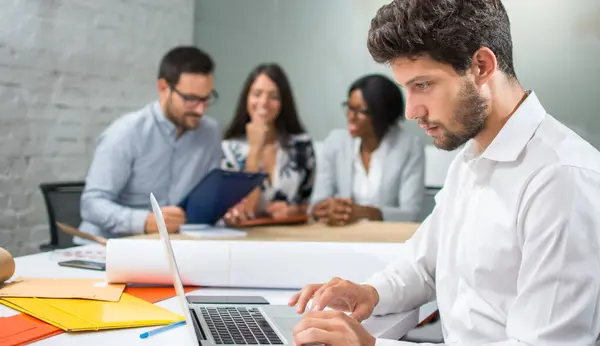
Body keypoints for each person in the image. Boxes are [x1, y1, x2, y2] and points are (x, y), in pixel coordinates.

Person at [290, 0, 600, 345]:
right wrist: (370, 292)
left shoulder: (561, 180)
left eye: (423, 85)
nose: (410, 111)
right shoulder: (470, 155)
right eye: (405, 88)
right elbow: (423, 265)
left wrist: (372, 345)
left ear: (482, 66)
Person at [76, 46, 222, 243]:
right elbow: (91, 204)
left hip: (172, 248)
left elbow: (207, 197)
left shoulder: (210, 133)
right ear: (163, 88)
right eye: (191, 99)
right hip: (107, 249)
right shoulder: (125, 133)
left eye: (206, 99)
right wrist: (144, 221)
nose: (200, 110)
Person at [310, 74, 424, 225]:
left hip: (388, 240)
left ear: (382, 114)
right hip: (342, 236)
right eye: (349, 107)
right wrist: (326, 209)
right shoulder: (335, 142)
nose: (350, 116)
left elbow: (411, 214)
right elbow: (316, 203)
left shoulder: (409, 147)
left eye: (360, 111)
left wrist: (365, 212)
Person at [221, 63, 315, 224]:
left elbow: (307, 203)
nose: (264, 102)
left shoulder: (301, 146)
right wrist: (254, 149)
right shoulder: (229, 149)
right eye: (257, 94)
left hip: (291, 236)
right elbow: (248, 209)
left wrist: (293, 210)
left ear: (283, 102)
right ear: (247, 98)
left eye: (274, 96)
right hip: (247, 238)